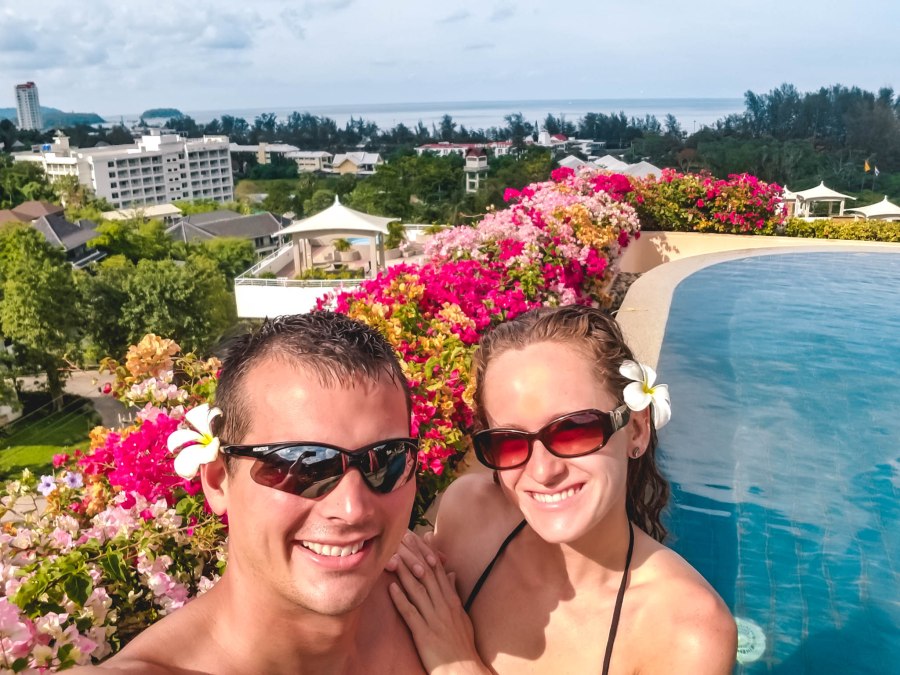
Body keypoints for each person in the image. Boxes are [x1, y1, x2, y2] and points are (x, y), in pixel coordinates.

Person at [387, 305, 737, 674]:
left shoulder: (687, 631)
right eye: (509, 441)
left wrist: (459, 663)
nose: (543, 471)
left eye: (574, 430)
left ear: (636, 429)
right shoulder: (469, 518)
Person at [75, 312, 425, 674]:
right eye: (302, 466)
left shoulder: (432, 606)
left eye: (388, 459)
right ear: (217, 481)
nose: (352, 508)